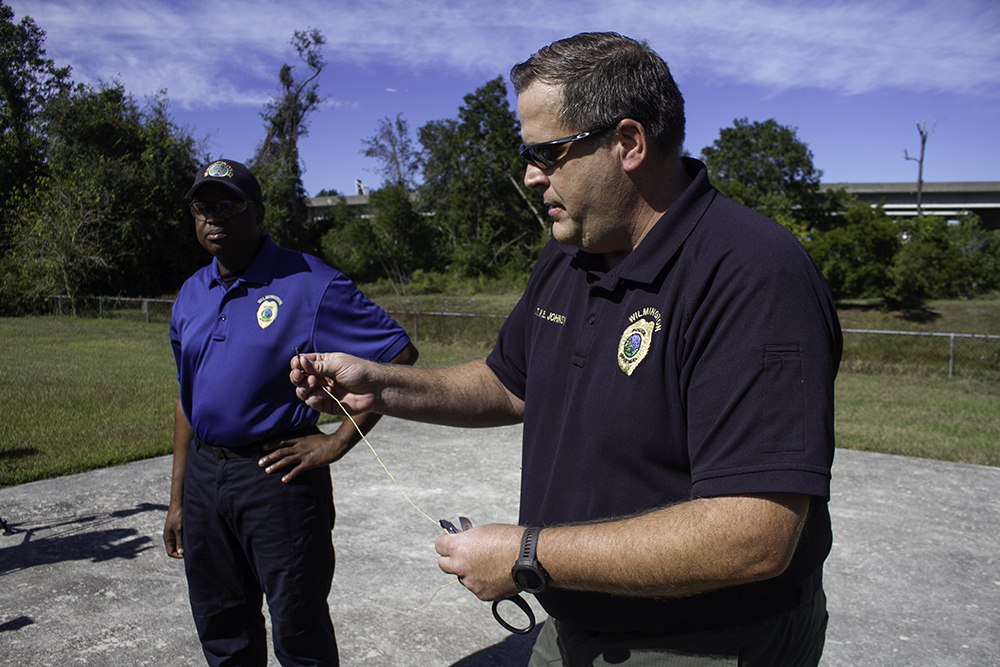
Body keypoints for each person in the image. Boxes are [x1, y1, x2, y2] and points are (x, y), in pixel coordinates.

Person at [293, 32, 842, 667]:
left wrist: (528, 555)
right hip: (576, 619)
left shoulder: (751, 272)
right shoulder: (569, 254)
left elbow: (756, 534)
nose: (530, 176)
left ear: (628, 144)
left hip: (704, 642)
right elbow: (510, 382)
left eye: (548, 153)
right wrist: (383, 386)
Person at [163, 158, 417, 667]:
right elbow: (188, 398)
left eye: (228, 204)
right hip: (205, 479)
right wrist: (178, 498)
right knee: (221, 624)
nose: (213, 217)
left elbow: (397, 356)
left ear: (256, 212)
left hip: (276, 478)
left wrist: (336, 441)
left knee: (298, 629)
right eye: (202, 206)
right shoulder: (192, 292)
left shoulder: (308, 282)